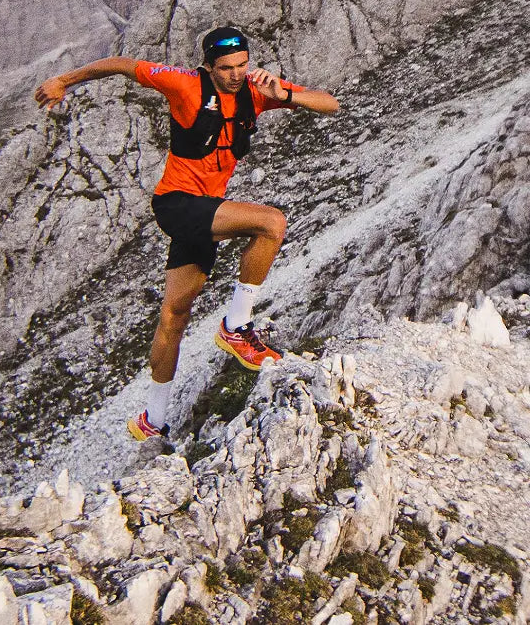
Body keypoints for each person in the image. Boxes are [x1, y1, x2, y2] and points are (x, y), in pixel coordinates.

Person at [35, 26, 339, 441]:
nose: (236, 75)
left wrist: (285, 95)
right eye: (226, 68)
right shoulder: (184, 84)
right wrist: (63, 81)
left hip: (204, 214)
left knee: (173, 317)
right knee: (272, 222)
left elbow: (329, 104)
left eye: (242, 65)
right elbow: (124, 66)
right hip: (177, 204)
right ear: (209, 67)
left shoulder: (256, 90)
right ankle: (236, 328)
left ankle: (152, 421)